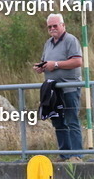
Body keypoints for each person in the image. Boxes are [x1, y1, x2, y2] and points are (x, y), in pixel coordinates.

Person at [32, 13, 82, 160]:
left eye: (55, 25)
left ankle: (76, 154)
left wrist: (56, 64)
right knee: (58, 121)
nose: (52, 28)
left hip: (69, 87)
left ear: (63, 25)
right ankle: (64, 154)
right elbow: (46, 61)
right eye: (50, 27)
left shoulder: (71, 40)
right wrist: (41, 67)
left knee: (71, 120)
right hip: (53, 89)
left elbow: (77, 61)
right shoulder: (48, 43)